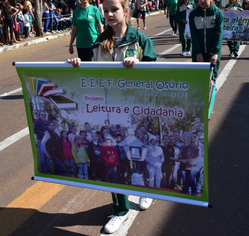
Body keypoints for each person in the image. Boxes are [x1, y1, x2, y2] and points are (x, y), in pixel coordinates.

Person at [68, 0, 157, 232]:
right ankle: (120, 210)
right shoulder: (100, 43)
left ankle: (145, 191)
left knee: (139, 155)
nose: (108, 14)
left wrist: (140, 64)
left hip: (136, 113)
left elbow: (157, 74)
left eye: (114, 9)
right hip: (109, 112)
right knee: (114, 162)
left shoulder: (140, 40)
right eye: (105, 10)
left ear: (126, 12)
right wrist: (77, 64)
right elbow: (91, 74)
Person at [189, 0, 223, 82]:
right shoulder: (193, 14)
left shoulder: (217, 13)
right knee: (199, 80)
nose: (202, 1)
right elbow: (194, 36)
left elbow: (219, 34)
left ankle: (211, 94)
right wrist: (198, 53)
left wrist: (215, 53)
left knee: (211, 81)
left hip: (212, 52)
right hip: (198, 53)